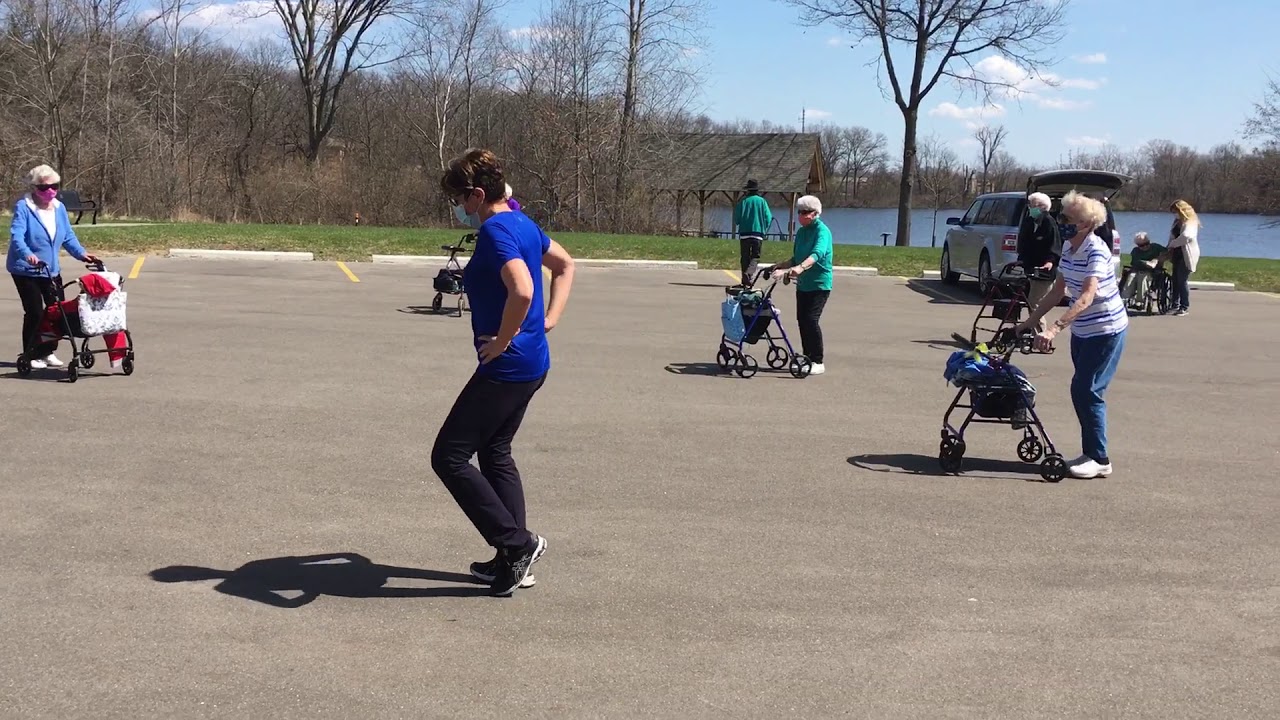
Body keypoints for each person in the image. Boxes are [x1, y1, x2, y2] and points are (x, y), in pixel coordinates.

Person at [434, 148, 576, 597]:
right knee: (495, 451)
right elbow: (566, 265)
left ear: (477, 195)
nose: (456, 208)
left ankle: (518, 545)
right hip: (533, 362)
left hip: (507, 366)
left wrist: (500, 339)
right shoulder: (521, 222)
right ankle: (513, 563)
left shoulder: (497, 230)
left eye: (458, 199)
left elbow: (523, 288)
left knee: (449, 457)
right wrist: (549, 319)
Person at [1015, 190, 1128, 480]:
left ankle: (1099, 458)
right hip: (1083, 331)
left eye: (1068, 218)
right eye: (1061, 215)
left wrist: (1054, 329)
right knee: (1084, 391)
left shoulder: (1097, 250)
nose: (1061, 221)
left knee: (1086, 391)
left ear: (1087, 224)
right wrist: (1031, 321)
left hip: (1105, 330)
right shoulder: (1068, 247)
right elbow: (1058, 291)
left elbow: (1087, 296)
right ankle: (1090, 452)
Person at [7, 164, 98, 368]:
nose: (50, 191)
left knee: (56, 311)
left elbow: (68, 236)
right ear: (34, 188)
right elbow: (17, 236)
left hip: (51, 269)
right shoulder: (25, 207)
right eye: (43, 188)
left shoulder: (59, 208)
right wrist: (28, 254)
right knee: (35, 312)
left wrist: (81, 254)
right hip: (25, 269)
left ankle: (47, 351)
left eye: (54, 186)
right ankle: (31, 353)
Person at [770, 195, 833, 375]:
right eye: (800, 212)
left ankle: (818, 361)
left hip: (820, 284)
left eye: (805, 212)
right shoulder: (802, 232)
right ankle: (807, 358)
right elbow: (796, 257)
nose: (801, 215)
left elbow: (817, 253)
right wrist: (781, 265)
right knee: (802, 321)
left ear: (815, 213)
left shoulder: (822, 231)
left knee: (811, 320)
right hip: (803, 284)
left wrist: (800, 268)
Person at [1015, 191, 1061, 332]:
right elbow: (1024, 244)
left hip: (1044, 271)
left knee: (1035, 303)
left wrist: (1050, 261)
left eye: (1032, 205)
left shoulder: (1049, 223)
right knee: (1030, 302)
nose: (1030, 208)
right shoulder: (1029, 221)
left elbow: (1055, 245)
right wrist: (1020, 260)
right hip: (1030, 268)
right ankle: (1031, 332)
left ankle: (1041, 335)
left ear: (1041, 207)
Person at [1162, 199, 1201, 316]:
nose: (1174, 214)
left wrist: (1173, 243)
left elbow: (1186, 237)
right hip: (1177, 254)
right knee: (1175, 280)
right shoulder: (1176, 222)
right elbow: (1172, 236)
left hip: (1187, 255)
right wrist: (1168, 247)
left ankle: (1184, 306)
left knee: (1181, 280)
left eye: (1175, 211)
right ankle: (1175, 304)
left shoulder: (1190, 223)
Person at [733, 179, 772, 286]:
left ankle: (744, 278)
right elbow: (768, 217)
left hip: (744, 232)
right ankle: (749, 273)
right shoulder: (762, 202)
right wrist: (765, 229)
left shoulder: (743, 202)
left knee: (744, 256)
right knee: (755, 256)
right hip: (758, 232)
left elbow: (736, 218)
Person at [1119, 232, 1166, 303]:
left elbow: (1167, 252)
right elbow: (1134, 263)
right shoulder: (1135, 251)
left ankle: (1140, 300)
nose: (1145, 246)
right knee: (1131, 277)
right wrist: (1144, 263)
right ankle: (1124, 298)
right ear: (1137, 245)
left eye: (1147, 243)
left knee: (1142, 277)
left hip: (1152, 272)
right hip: (1137, 270)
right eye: (1141, 245)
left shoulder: (1156, 247)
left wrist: (1158, 259)